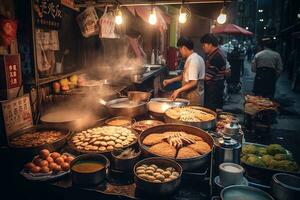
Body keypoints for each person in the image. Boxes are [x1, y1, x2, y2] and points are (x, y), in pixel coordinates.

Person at [163, 37, 205, 105]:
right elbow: (184, 76)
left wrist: (178, 91)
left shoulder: (193, 61)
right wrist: (170, 81)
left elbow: (194, 82)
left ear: (184, 48)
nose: (179, 52)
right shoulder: (195, 57)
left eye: (179, 49)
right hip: (193, 94)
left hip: (193, 96)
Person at [200, 33, 227, 111]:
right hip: (212, 88)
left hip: (214, 90)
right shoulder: (211, 54)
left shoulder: (217, 57)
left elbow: (208, 77)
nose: (202, 48)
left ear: (210, 44)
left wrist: (195, 78)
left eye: (204, 45)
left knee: (211, 112)